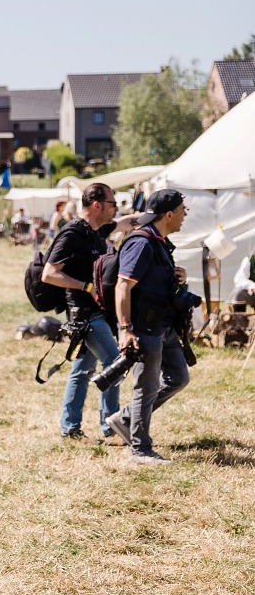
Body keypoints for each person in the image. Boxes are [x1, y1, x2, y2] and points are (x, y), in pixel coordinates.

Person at [107, 190, 192, 464]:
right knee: (147, 386)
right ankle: (140, 450)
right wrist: (125, 328)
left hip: (163, 325)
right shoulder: (142, 243)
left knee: (179, 377)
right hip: (143, 327)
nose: (185, 214)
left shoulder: (159, 242)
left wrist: (176, 276)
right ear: (168, 214)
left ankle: (125, 419)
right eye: (182, 209)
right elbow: (123, 285)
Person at [42, 182, 124, 443]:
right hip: (85, 315)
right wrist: (85, 286)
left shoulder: (98, 231)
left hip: (97, 312)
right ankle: (111, 428)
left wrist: (155, 212)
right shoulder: (73, 234)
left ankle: (70, 427)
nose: (116, 209)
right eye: (113, 204)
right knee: (114, 364)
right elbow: (49, 273)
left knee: (82, 370)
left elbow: (128, 222)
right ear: (97, 204)